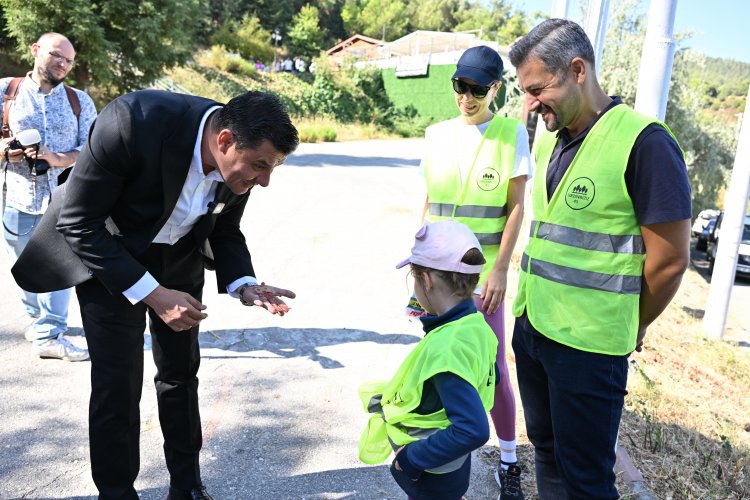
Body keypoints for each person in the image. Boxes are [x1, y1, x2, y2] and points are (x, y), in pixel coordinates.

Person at [11, 89, 299, 499]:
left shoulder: (242, 160)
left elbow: (226, 229)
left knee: (181, 376)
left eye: (271, 169)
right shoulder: (132, 121)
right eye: (259, 166)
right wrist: (152, 293)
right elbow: (78, 222)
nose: (264, 181)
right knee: (118, 385)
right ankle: (116, 493)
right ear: (224, 141)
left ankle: (187, 486)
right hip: (108, 254)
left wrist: (243, 283)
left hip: (180, 257)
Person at [508, 19, 691, 499]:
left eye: (538, 88)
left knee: (585, 478)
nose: (530, 102)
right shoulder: (551, 137)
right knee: (545, 452)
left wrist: (632, 321)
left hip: (589, 348)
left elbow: (670, 261)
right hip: (534, 329)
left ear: (577, 70)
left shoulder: (645, 143)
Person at [420, 45, 530, 499]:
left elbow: (517, 206)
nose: (466, 97)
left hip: (480, 278)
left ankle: (508, 458)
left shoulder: (511, 134)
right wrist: (417, 263)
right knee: (439, 365)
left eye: (477, 89)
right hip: (435, 275)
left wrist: (501, 270)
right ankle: (441, 452)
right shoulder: (435, 134)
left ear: (496, 89)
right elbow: (428, 203)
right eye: (459, 86)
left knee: (493, 369)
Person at [359, 220, 498, 500]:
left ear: (426, 281)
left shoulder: (447, 346)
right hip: (454, 469)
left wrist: (410, 459)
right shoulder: (474, 325)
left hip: (433, 474)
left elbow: (473, 429)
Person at [1, 32, 96, 361]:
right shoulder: (5, 92)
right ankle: (36, 321)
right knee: (23, 266)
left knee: (60, 267)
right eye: (57, 55)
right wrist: (8, 152)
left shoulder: (79, 101)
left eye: (69, 60)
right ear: (35, 50)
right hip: (16, 197)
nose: (63, 64)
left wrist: (57, 158)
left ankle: (50, 334)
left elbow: (93, 151)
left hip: (64, 200)